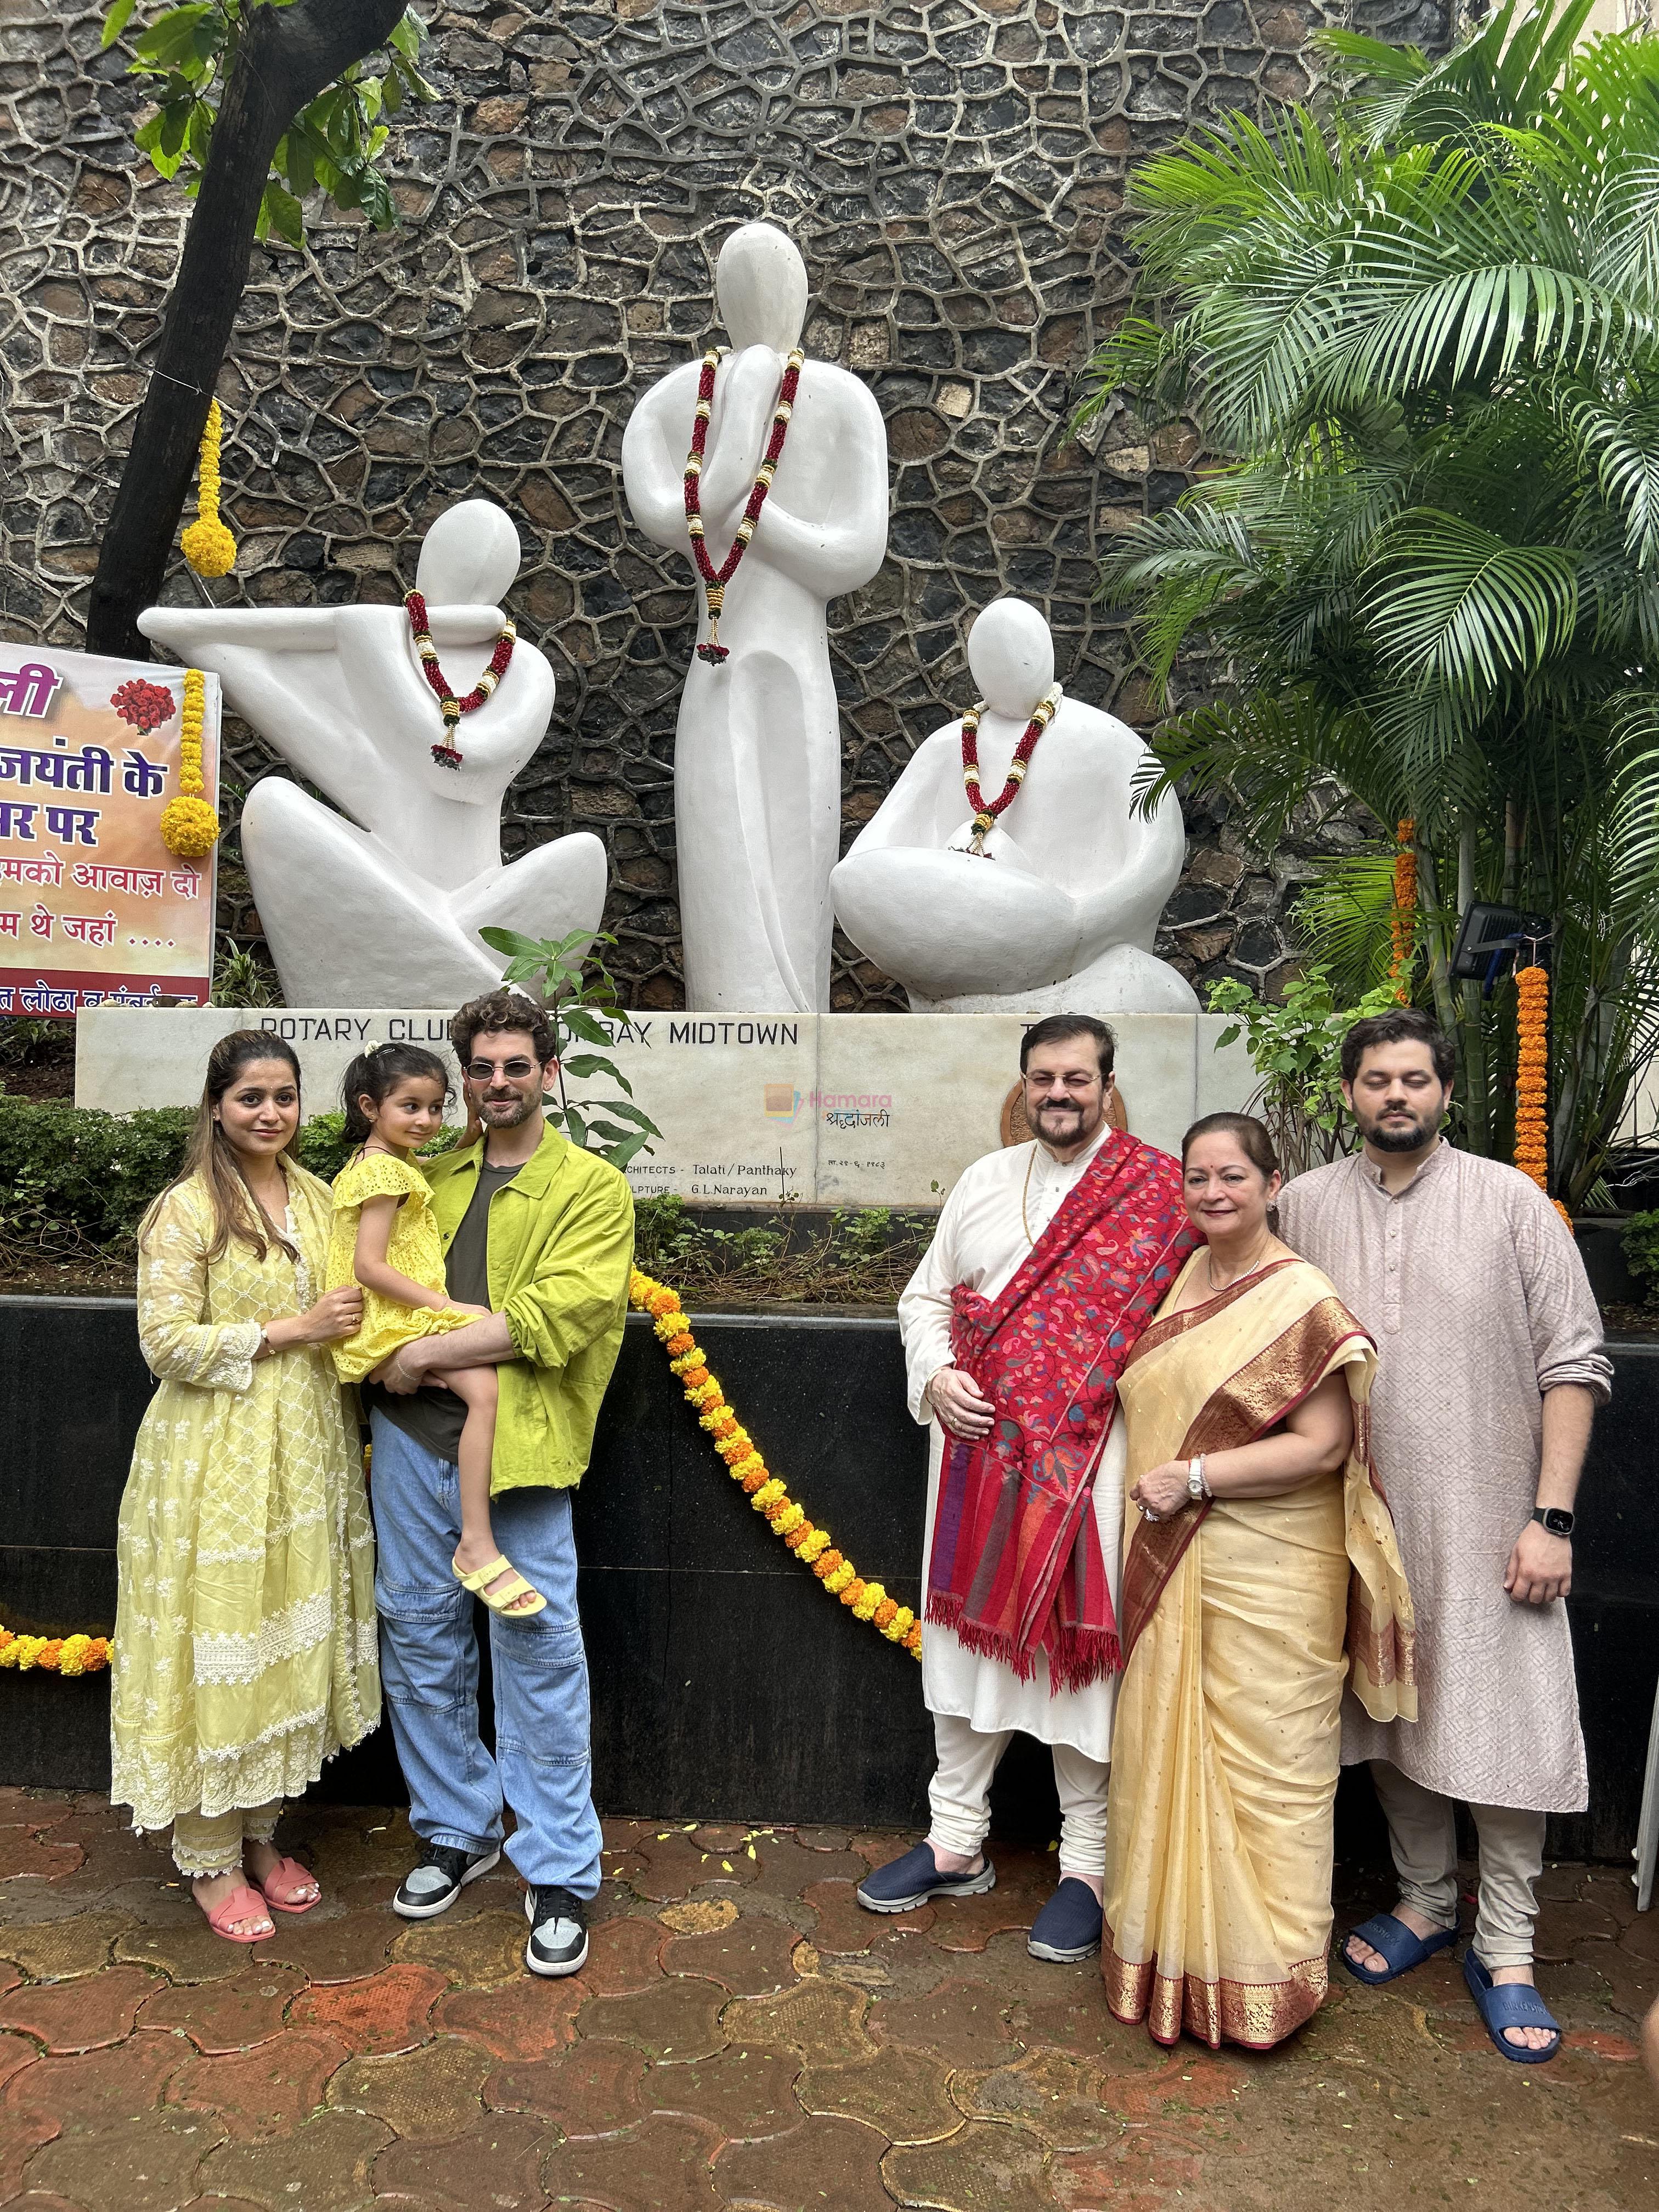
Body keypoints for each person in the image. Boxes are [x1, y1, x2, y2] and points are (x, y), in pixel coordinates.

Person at [1278, 1008, 1611, 2064]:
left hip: (1490, 1525)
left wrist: (1548, 1518)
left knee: (1503, 1730)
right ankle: (1424, 1903)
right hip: (1357, 1527)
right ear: (1346, 1095)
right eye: (1374, 1079)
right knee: (1387, 1718)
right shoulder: (1301, 1206)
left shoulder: (1512, 1204)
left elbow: (1574, 1362)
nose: (1394, 1096)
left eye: (1413, 1080)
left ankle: (1504, 1946)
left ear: (1444, 1093)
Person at [861, 1015, 1195, 1966]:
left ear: (1106, 1085)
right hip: (973, 1462)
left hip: (1087, 1467)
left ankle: (1086, 1866)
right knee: (963, 1650)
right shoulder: (979, 1179)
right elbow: (923, 1298)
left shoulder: (1155, 1193)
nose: (1060, 1092)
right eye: (1044, 1077)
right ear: (1022, 1086)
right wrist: (932, 1375)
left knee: (1079, 1660)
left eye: (1077, 1078)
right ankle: (952, 1838)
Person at [1101, 1113, 1415, 2051]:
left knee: (1269, 1778)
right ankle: (1169, 1966)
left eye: (1230, 1174)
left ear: (1272, 1183)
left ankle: (1262, 1979)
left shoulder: (1299, 1297)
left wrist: (1192, 1479)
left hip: (1267, 1571)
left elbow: (1320, 1446)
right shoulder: (1181, 1277)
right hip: (1173, 1561)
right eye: (1195, 1177)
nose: (1210, 1192)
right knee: (1164, 1755)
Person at [365, 988, 634, 1977]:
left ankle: (559, 1867)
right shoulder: (427, 1173)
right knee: (419, 1635)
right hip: (408, 1443)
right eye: (479, 1067)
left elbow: (555, 1314)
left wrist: (420, 1353)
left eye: (515, 1065)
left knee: (537, 1648)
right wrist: (400, 1368)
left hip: (517, 1452)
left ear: (548, 1072)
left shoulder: (591, 1189)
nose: (496, 1083)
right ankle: (455, 1825)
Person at [110, 1031, 380, 1943]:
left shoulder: (315, 1196)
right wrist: (287, 1327)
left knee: (283, 1638)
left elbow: (354, 1305)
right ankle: (208, 1858)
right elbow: (165, 1344)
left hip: (305, 1452)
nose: (271, 1112)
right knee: (218, 1641)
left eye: (286, 1096)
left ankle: (261, 1837)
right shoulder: (185, 1211)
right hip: (214, 1459)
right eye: (252, 1097)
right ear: (217, 1105)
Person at [325, 1042, 542, 1620]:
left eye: (435, 1107)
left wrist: (472, 1127)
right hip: (390, 1322)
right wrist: (444, 1306)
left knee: (477, 1392)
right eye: (410, 1108)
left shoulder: (384, 1162)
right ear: (370, 1106)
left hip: (393, 1319)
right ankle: (476, 1541)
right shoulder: (385, 1176)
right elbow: (368, 1266)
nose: (425, 1121)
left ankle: (475, 1538)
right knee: (486, 1392)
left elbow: (443, 1159)